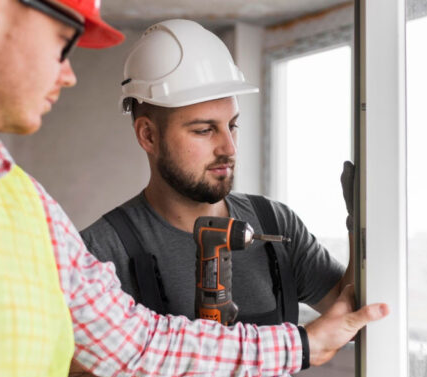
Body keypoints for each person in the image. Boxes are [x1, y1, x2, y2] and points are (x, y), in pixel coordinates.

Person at [0, 2, 387, 377]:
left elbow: (139, 345)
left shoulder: (29, 211)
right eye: (64, 41)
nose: (69, 73)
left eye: (229, 125)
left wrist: (304, 345)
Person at [81, 14, 354, 353]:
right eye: (204, 130)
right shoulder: (100, 253)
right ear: (148, 135)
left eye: (232, 125)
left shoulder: (274, 224)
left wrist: (363, 227)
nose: (229, 148)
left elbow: (352, 315)